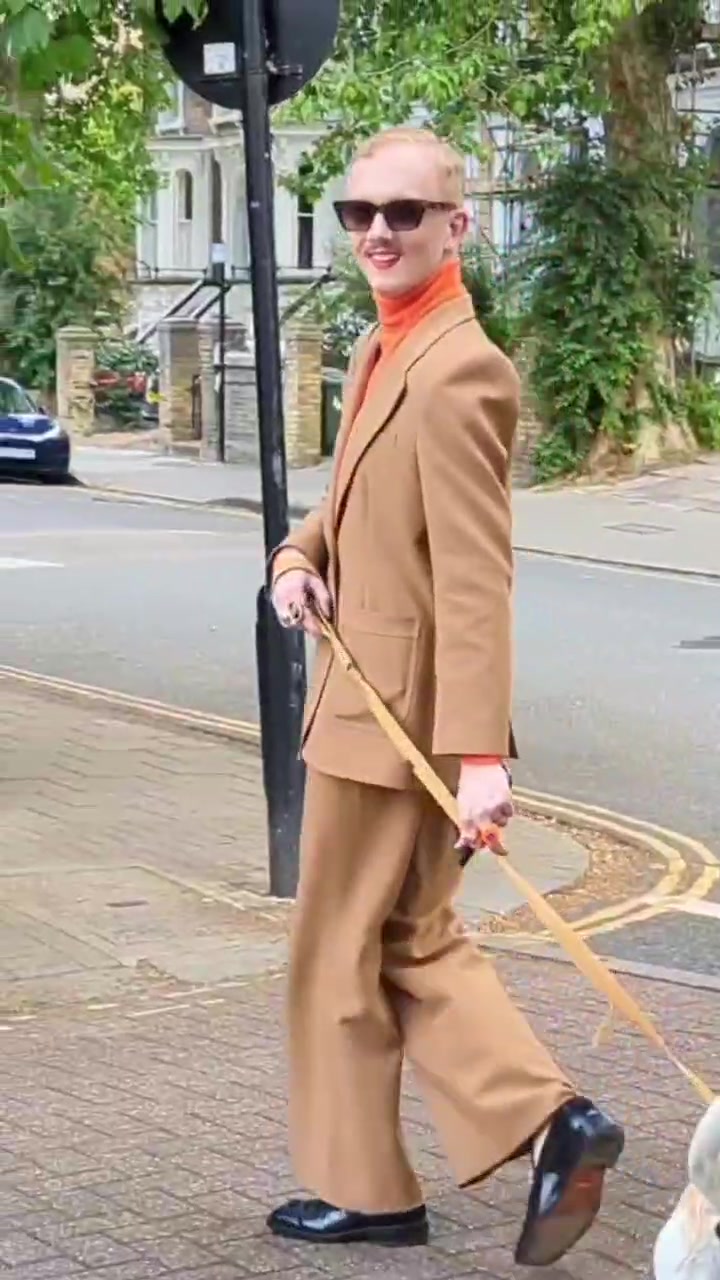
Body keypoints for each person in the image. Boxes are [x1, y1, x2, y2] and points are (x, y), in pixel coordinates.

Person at [267, 126, 624, 1267]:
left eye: (405, 213)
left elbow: (476, 577)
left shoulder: (462, 366)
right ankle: (552, 1123)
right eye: (359, 212)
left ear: (456, 226)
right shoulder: (390, 344)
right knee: (410, 937)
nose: (377, 231)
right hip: (374, 699)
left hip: (392, 724)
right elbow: (355, 499)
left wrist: (479, 758)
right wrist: (298, 555)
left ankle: (370, 1190)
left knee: (337, 949)